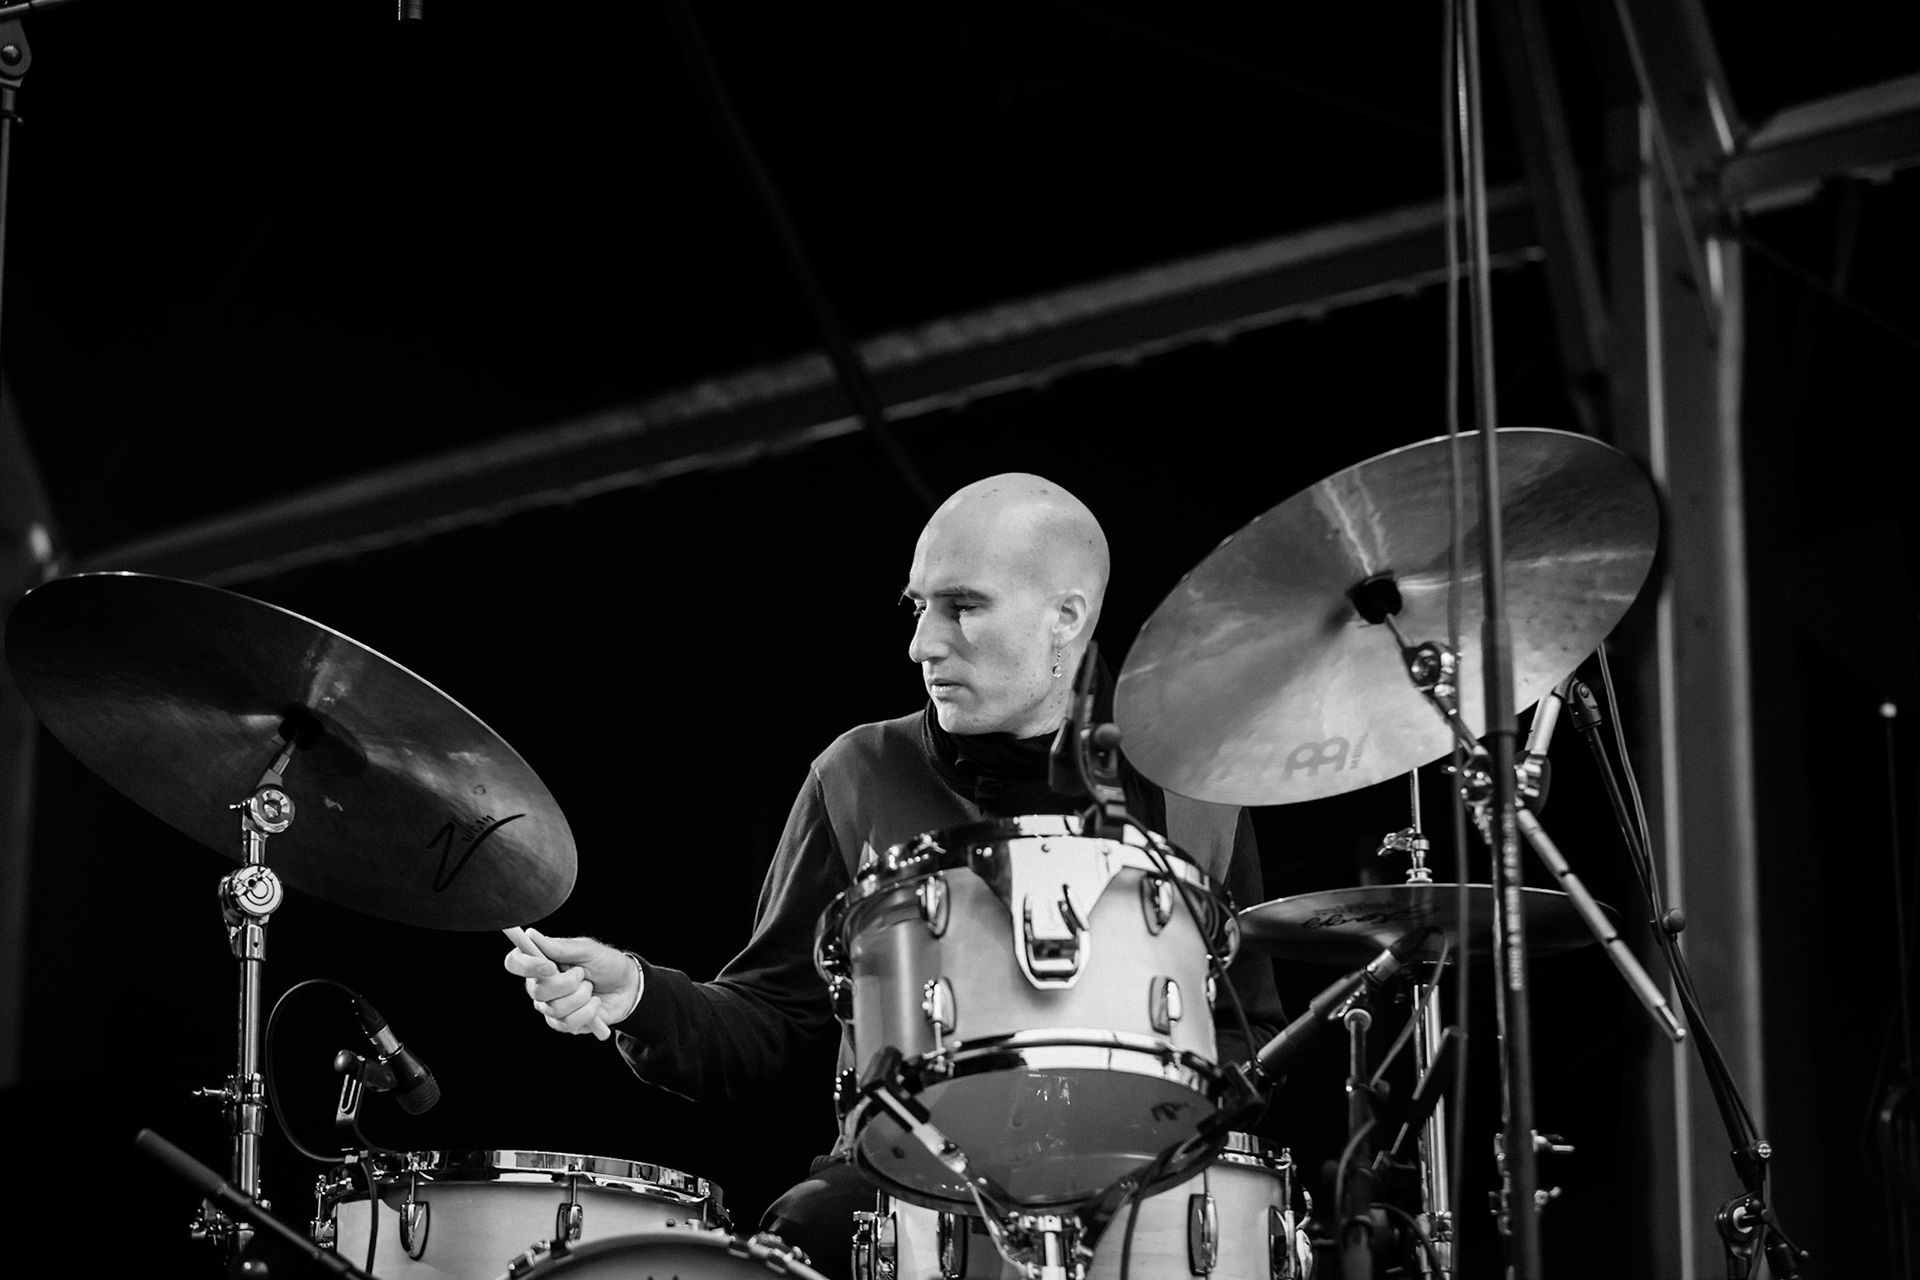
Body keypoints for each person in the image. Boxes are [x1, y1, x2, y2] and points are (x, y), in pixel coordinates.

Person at [505, 472, 1284, 1277]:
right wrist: (637, 994)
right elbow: (769, 1015)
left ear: (1068, 617)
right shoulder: (857, 772)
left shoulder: (1191, 790)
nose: (922, 644)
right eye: (918, 607)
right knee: (808, 1225)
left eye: (964, 607)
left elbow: (1250, 1034)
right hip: (899, 1184)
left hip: (1136, 1184)